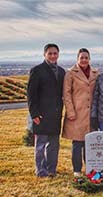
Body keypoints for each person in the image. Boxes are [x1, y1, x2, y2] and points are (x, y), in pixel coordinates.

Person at [27, 43, 65, 177]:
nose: (53, 56)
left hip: (55, 115)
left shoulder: (61, 71)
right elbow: (31, 95)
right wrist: (34, 114)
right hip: (41, 115)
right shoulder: (37, 70)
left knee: (54, 145)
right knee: (40, 145)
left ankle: (51, 170)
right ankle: (41, 171)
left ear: (58, 54)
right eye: (50, 53)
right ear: (44, 55)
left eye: (55, 53)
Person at [62, 48, 98, 177]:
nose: (84, 60)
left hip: (91, 114)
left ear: (89, 59)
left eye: (86, 57)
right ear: (77, 58)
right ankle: (77, 170)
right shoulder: (71, 73)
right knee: (77, 143)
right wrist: (70, 112)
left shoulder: (95, 73)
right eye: (81, 57)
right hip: (76, 113)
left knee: (89, 143)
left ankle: (90, 168)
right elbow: (66, 94)